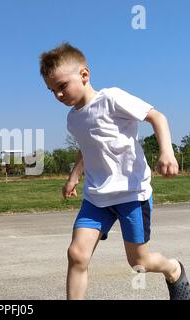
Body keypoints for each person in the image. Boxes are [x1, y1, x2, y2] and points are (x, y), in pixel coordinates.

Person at [39, 42, 190, 300]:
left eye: (62, 86)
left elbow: (157, 117)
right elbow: (87, 149)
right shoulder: (73, 119)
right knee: (76, 254)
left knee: (139, 262)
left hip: (131, 194)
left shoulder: (111, 99)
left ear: (84, 75)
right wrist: (73, 178)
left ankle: (173, 269)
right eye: (52, 91)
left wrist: (167, 151)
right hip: (97, 197)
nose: (59, 95)